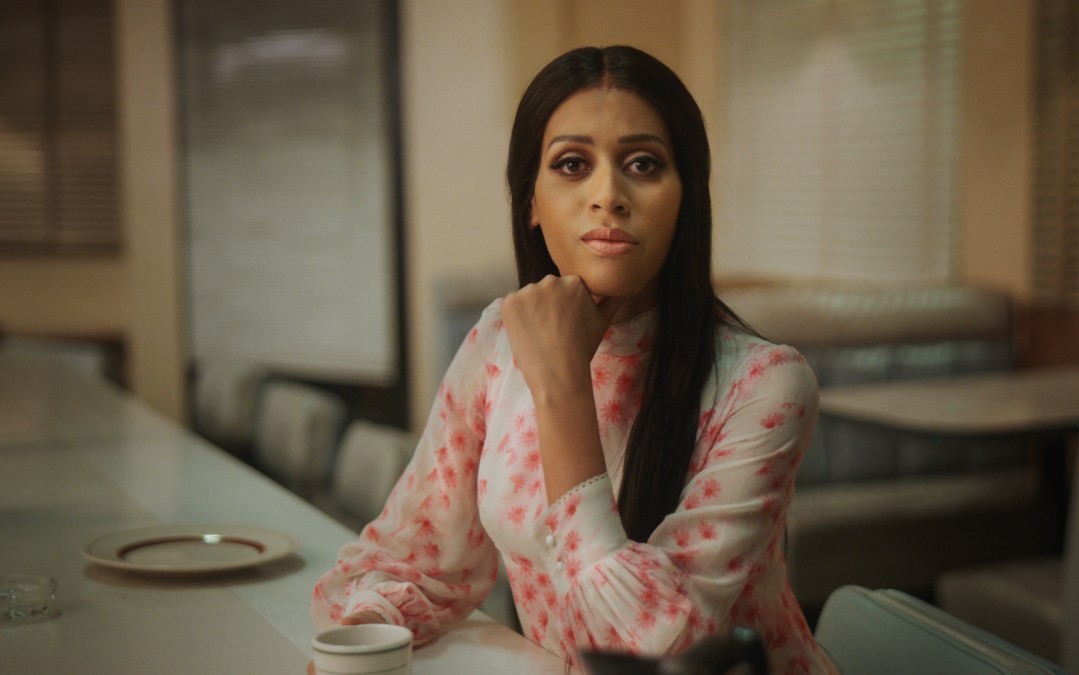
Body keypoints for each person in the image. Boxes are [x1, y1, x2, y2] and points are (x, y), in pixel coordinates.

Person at [312, 45, 836, 674]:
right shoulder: (495, 345)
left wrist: (562, 388)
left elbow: (648, 649)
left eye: (643, 163)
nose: (608, 194)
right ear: (530, 202)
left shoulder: (765, 385)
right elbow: (417, 560)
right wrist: (365, 639)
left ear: (686, 199)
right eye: (572, 164)